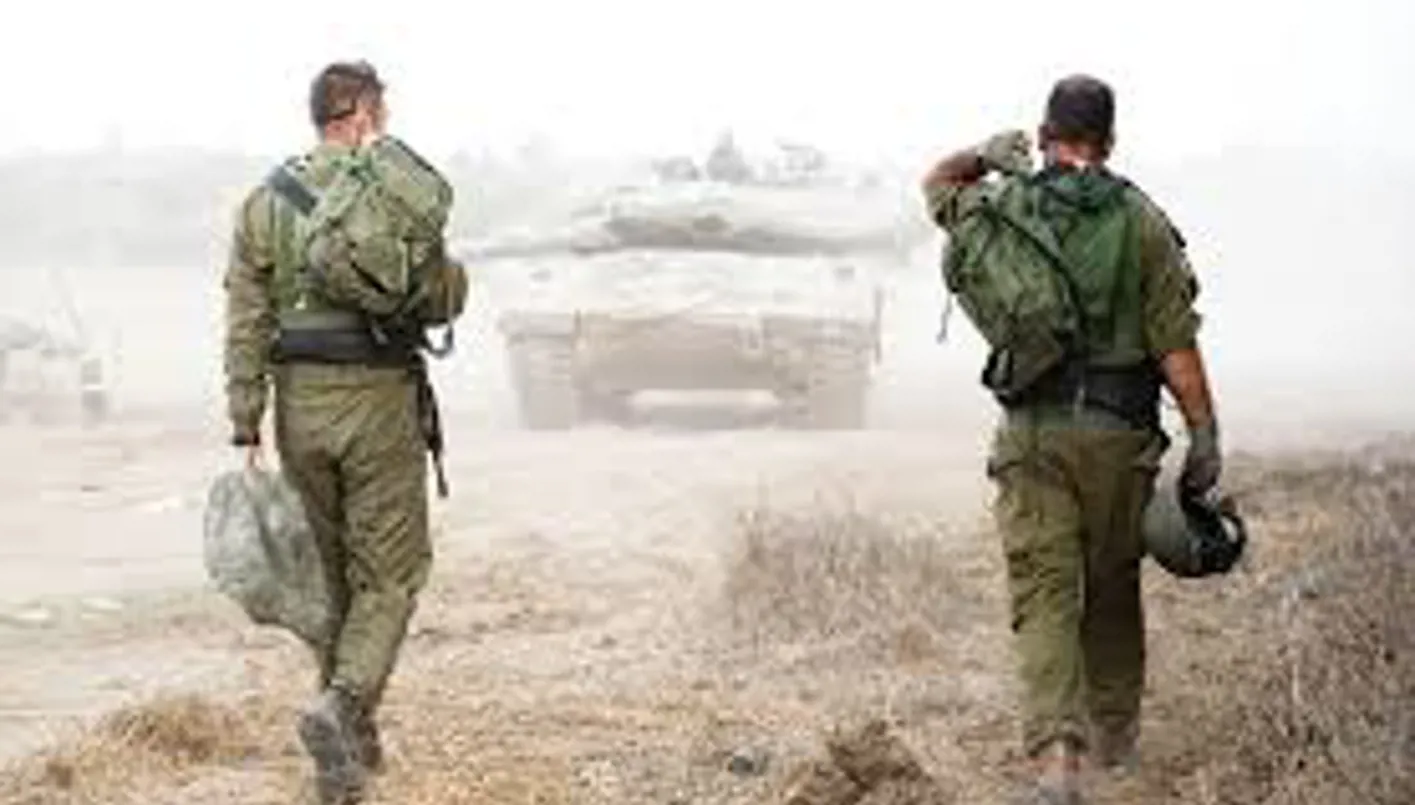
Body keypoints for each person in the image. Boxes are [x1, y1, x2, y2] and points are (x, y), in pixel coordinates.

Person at [921, 75, 1223, 803]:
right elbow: (1175, 345)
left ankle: (1057, 759)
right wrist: (1203, 434)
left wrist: (985, 156)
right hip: (1119, 441)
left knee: (1044, 590)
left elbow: (936, 183)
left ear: (1043, 133)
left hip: (1032, 437)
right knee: (1113, 583)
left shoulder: (1005, 205)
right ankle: (1113, 740)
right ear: (1109, 141)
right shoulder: (1143, 223)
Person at [222, 60, 468, 804]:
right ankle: (342, 705)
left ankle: (349, 752)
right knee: (388, 575)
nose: (384, 126)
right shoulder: (392, 192)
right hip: (378, 403)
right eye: (381, 113)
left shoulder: (264, 202)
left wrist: (245, 416)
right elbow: (440, 299)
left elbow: (246, 316)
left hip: (300, 408)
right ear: (360, 114)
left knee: (329, 578)